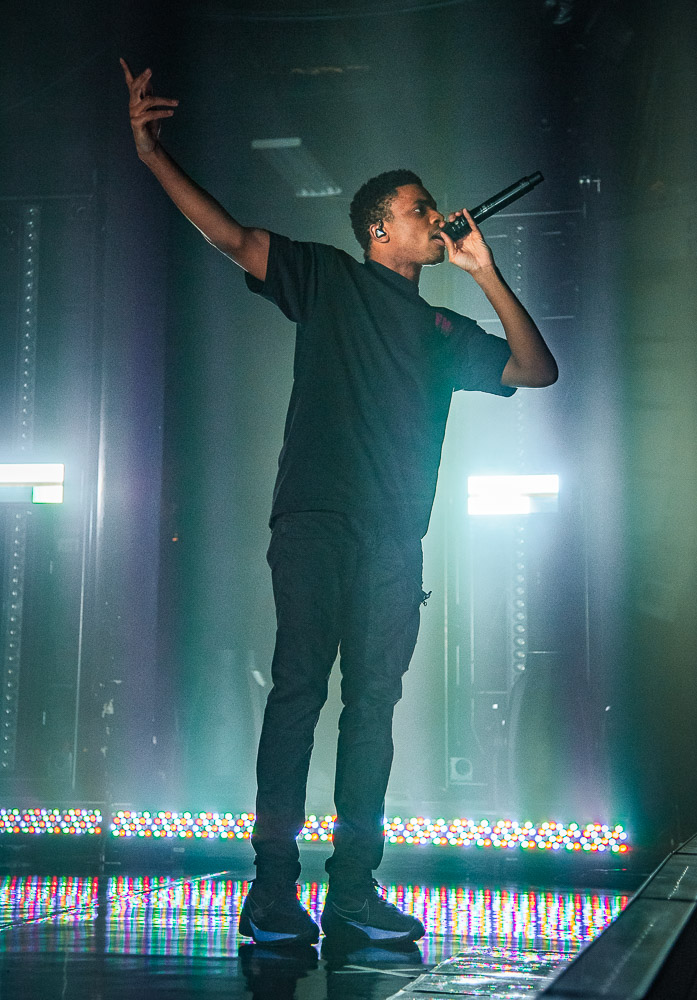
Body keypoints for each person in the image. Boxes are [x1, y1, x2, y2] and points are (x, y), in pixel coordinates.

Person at [121, 58, 558, 948]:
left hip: (395, 539)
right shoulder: (325, 277)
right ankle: (270, 891)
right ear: (376, 230)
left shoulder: (444, 334)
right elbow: (232, 237)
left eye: (431, 205)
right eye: (417, 207)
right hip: (316, 520)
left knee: (373, 709)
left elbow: (534, 368)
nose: (433, 215)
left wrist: (479, 270)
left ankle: (352, 893)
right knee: (296, 694)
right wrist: (151, 156)